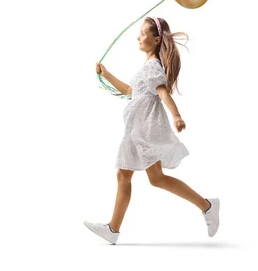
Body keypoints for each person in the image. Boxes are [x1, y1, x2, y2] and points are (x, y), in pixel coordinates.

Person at [84, 16, 219, 244]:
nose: (138, 36)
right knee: (143, 177)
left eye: (143, 33)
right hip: (137, 129)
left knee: (139, 176)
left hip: (145, 130)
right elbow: (130, 90)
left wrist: (176, 116)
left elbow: (163, 93)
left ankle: (207, 206)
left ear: (156, 40)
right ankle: (206, 205)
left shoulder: (153, 66)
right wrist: (106, 75)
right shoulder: (147, 67)